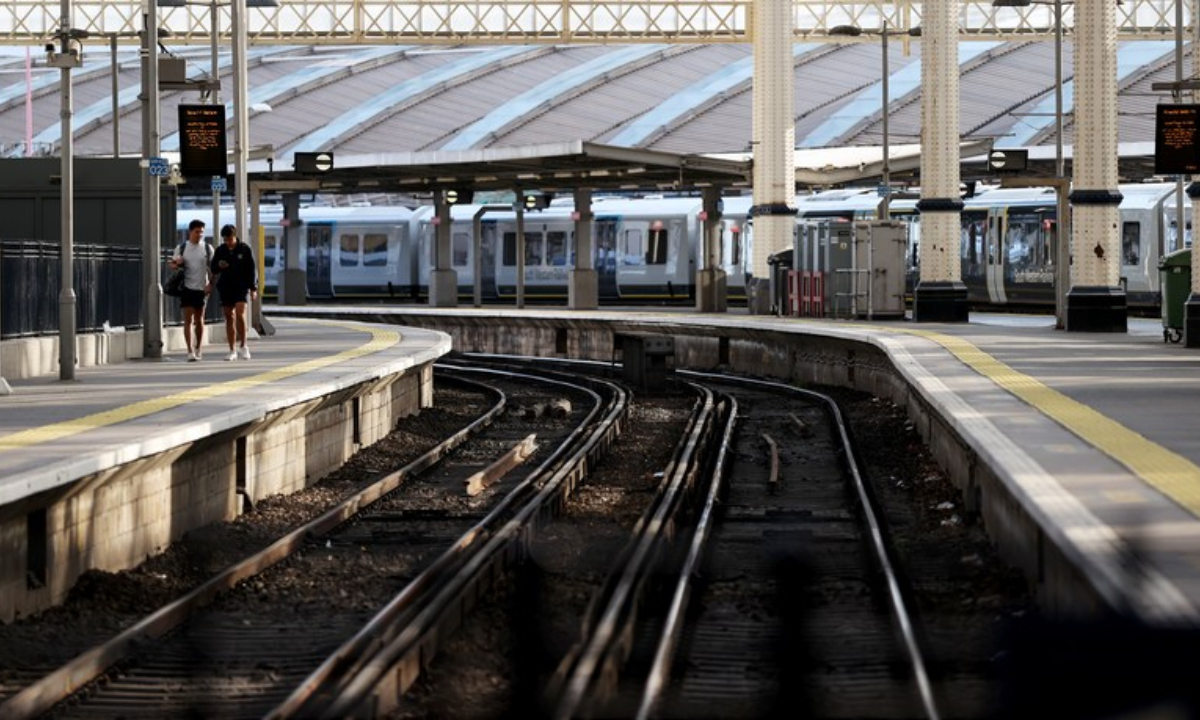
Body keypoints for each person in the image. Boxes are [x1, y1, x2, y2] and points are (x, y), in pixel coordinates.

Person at [211, 224, 258, 361]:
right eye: (225, 240)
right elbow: (213, 268)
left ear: (235, 236)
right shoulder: (220, 250)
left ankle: (244, 346)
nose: (228, 242)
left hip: (241, 286)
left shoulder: (244, 249)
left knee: (240, 313)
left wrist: (253, 288)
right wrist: (219, 266)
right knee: (229, 316)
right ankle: (232, 349)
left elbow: (252, 269)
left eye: (230, 239)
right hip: (226, 286)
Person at [168, 219, 214, 361]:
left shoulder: (207, 248)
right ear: (190, 232)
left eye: (201, 232)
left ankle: (198, 347)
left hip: (202, 288)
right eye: (197, 232)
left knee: (199, 319)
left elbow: (213, 269)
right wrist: (177, 263)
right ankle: (189, 350)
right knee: (188, 319)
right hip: (186, 287)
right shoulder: (182, 248)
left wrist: (210, 284)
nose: (199, 234)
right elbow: (172, 265)